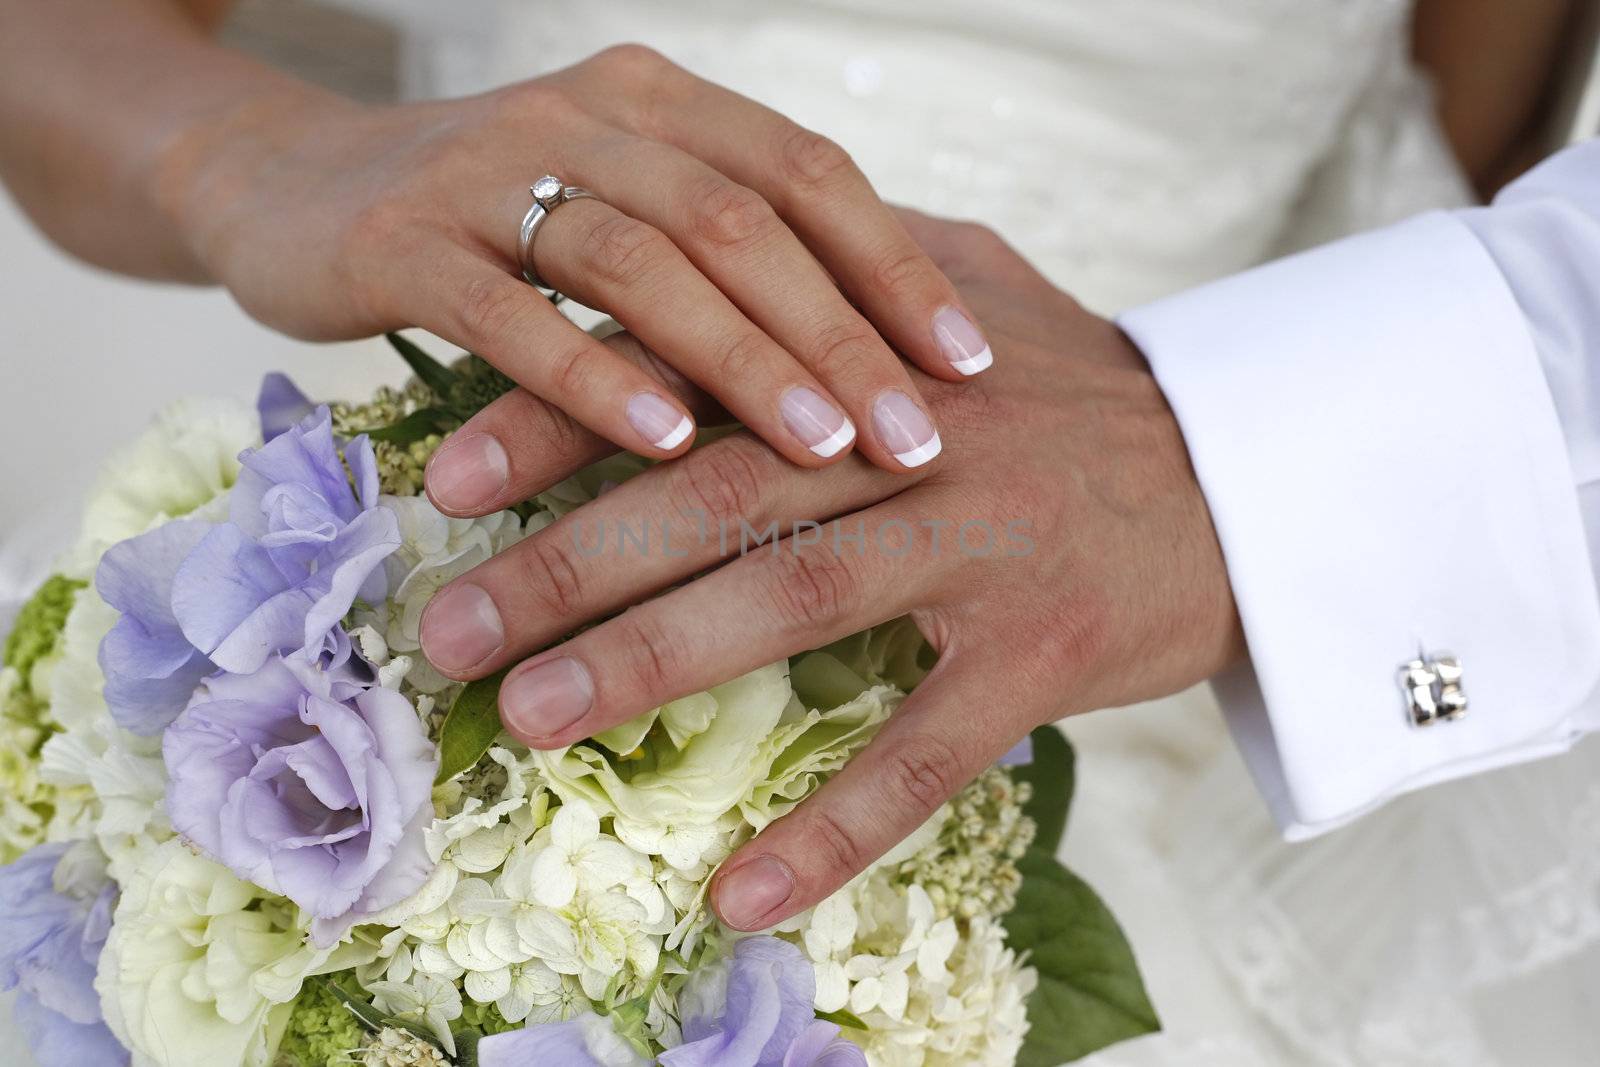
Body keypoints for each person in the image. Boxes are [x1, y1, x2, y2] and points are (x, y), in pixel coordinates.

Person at [3, 1, 1597, 1062]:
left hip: (1125, 622)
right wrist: (239, 153)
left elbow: (1469, 116)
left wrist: (1235, 449)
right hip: (414, 516)